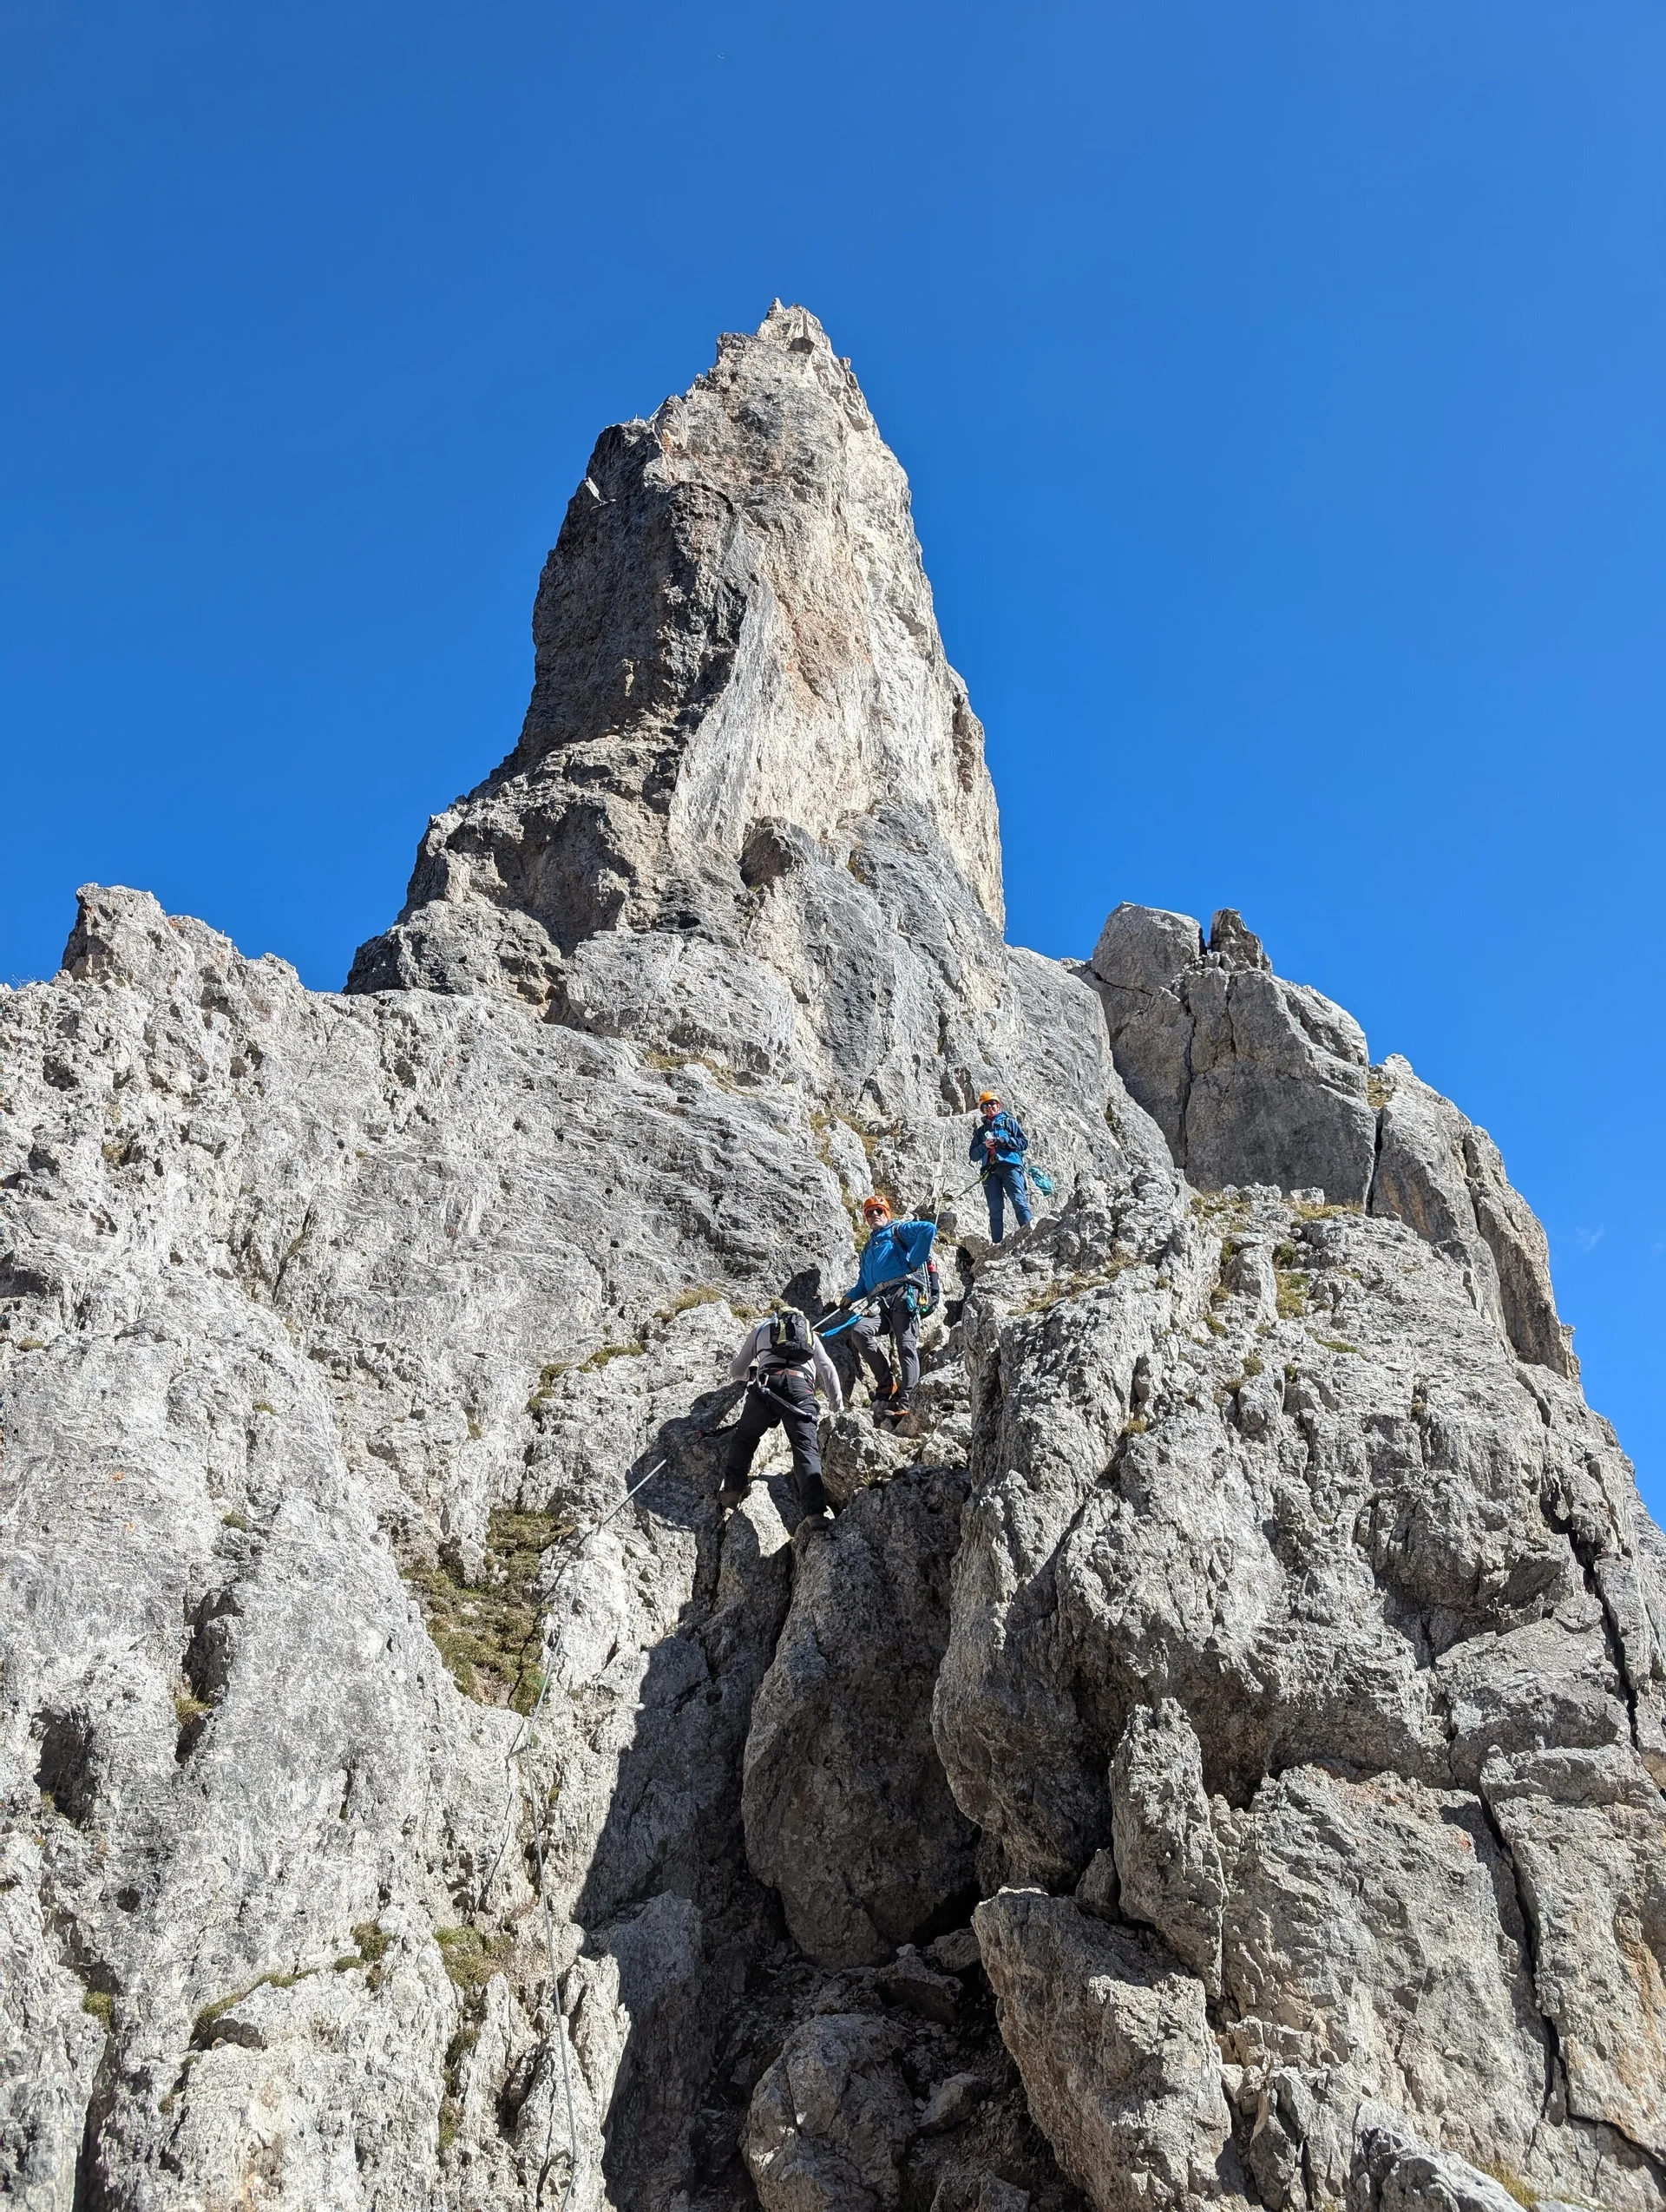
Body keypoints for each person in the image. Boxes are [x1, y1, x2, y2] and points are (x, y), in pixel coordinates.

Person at [718, 1308, 844, 1525]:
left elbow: (737, 1370)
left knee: (745, 1438)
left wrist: (751, 1373)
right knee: (806, 1449)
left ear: (777, 1317)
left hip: (768, 1383)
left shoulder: (762, 1329)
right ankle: (815, 1514)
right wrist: (837, 1407)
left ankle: (732, 1491)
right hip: (801, 1388)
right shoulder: (809, 1334)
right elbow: (828, 1369)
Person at [841, 1196, 939, 1421]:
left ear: (888, 1214)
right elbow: (864, 1284)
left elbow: (927, 1229)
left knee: (906, 1346)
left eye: (879, 1211)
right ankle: (887, 1383)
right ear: (865, 1219)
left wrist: (914, 1261)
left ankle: (909, 1401)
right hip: (879, 1301)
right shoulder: (867, 1250)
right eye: (870, 1213)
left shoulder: (898, 1231)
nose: (875, 1215)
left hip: (903, 1294)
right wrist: (850, 1296)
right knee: (860, 1332)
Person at [970, 1090, 1032, 1244]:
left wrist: (1004, 1141)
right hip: (990, 1171)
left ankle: (1031, 1236)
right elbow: (973, 1155)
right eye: (985, 1105)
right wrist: (984, 1146)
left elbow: (1023, 1143)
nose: (989, 1107)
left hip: (1011, 1166)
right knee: (995, 1209)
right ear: (982, 1110)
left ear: (998, 1105)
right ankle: (997, 1244)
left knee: (1019, 1201)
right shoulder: (980, 1132)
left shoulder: (1009, 1123)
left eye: (992, 1103)